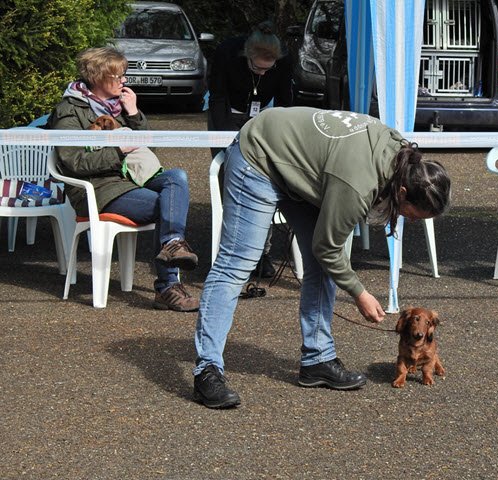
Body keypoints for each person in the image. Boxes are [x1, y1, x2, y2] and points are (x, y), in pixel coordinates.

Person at [193, 107, 452, 409]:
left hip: (300, 167)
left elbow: (325, 249)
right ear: (403, 191)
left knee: (321, 264)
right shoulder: (358, 185)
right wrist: (360, 293)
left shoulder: (402, 158)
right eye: (415, 215)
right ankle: (206, 370)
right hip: (260, 155)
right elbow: (328, 247)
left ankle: (317, 360)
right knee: (237, 263)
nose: (414, 222)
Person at [47, 46, 199, 312]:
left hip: (131, 177)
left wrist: (133, 114)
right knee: (167, 204)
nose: (124, 81)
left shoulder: (116, 107)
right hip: (98, 188)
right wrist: (118, 151)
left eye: (123, 75)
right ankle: (167, 286)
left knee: (177, 177)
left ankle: (173, 244)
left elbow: (147, 151)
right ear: (97, 77)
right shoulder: (68, 111)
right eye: (118, 76)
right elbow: (73, 162)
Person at [207, 20, 293, 278]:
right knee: (230, 180)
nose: (264, 74)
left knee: (264, 183)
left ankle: (261, 253)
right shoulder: (226, 52)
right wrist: (227, 144)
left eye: (270, 69)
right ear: (247, 55)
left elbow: (286, 102)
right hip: (227, 113)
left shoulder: (284, 61)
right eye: (257, 68)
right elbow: (218, 98)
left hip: (263, 116)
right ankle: (231, 250)